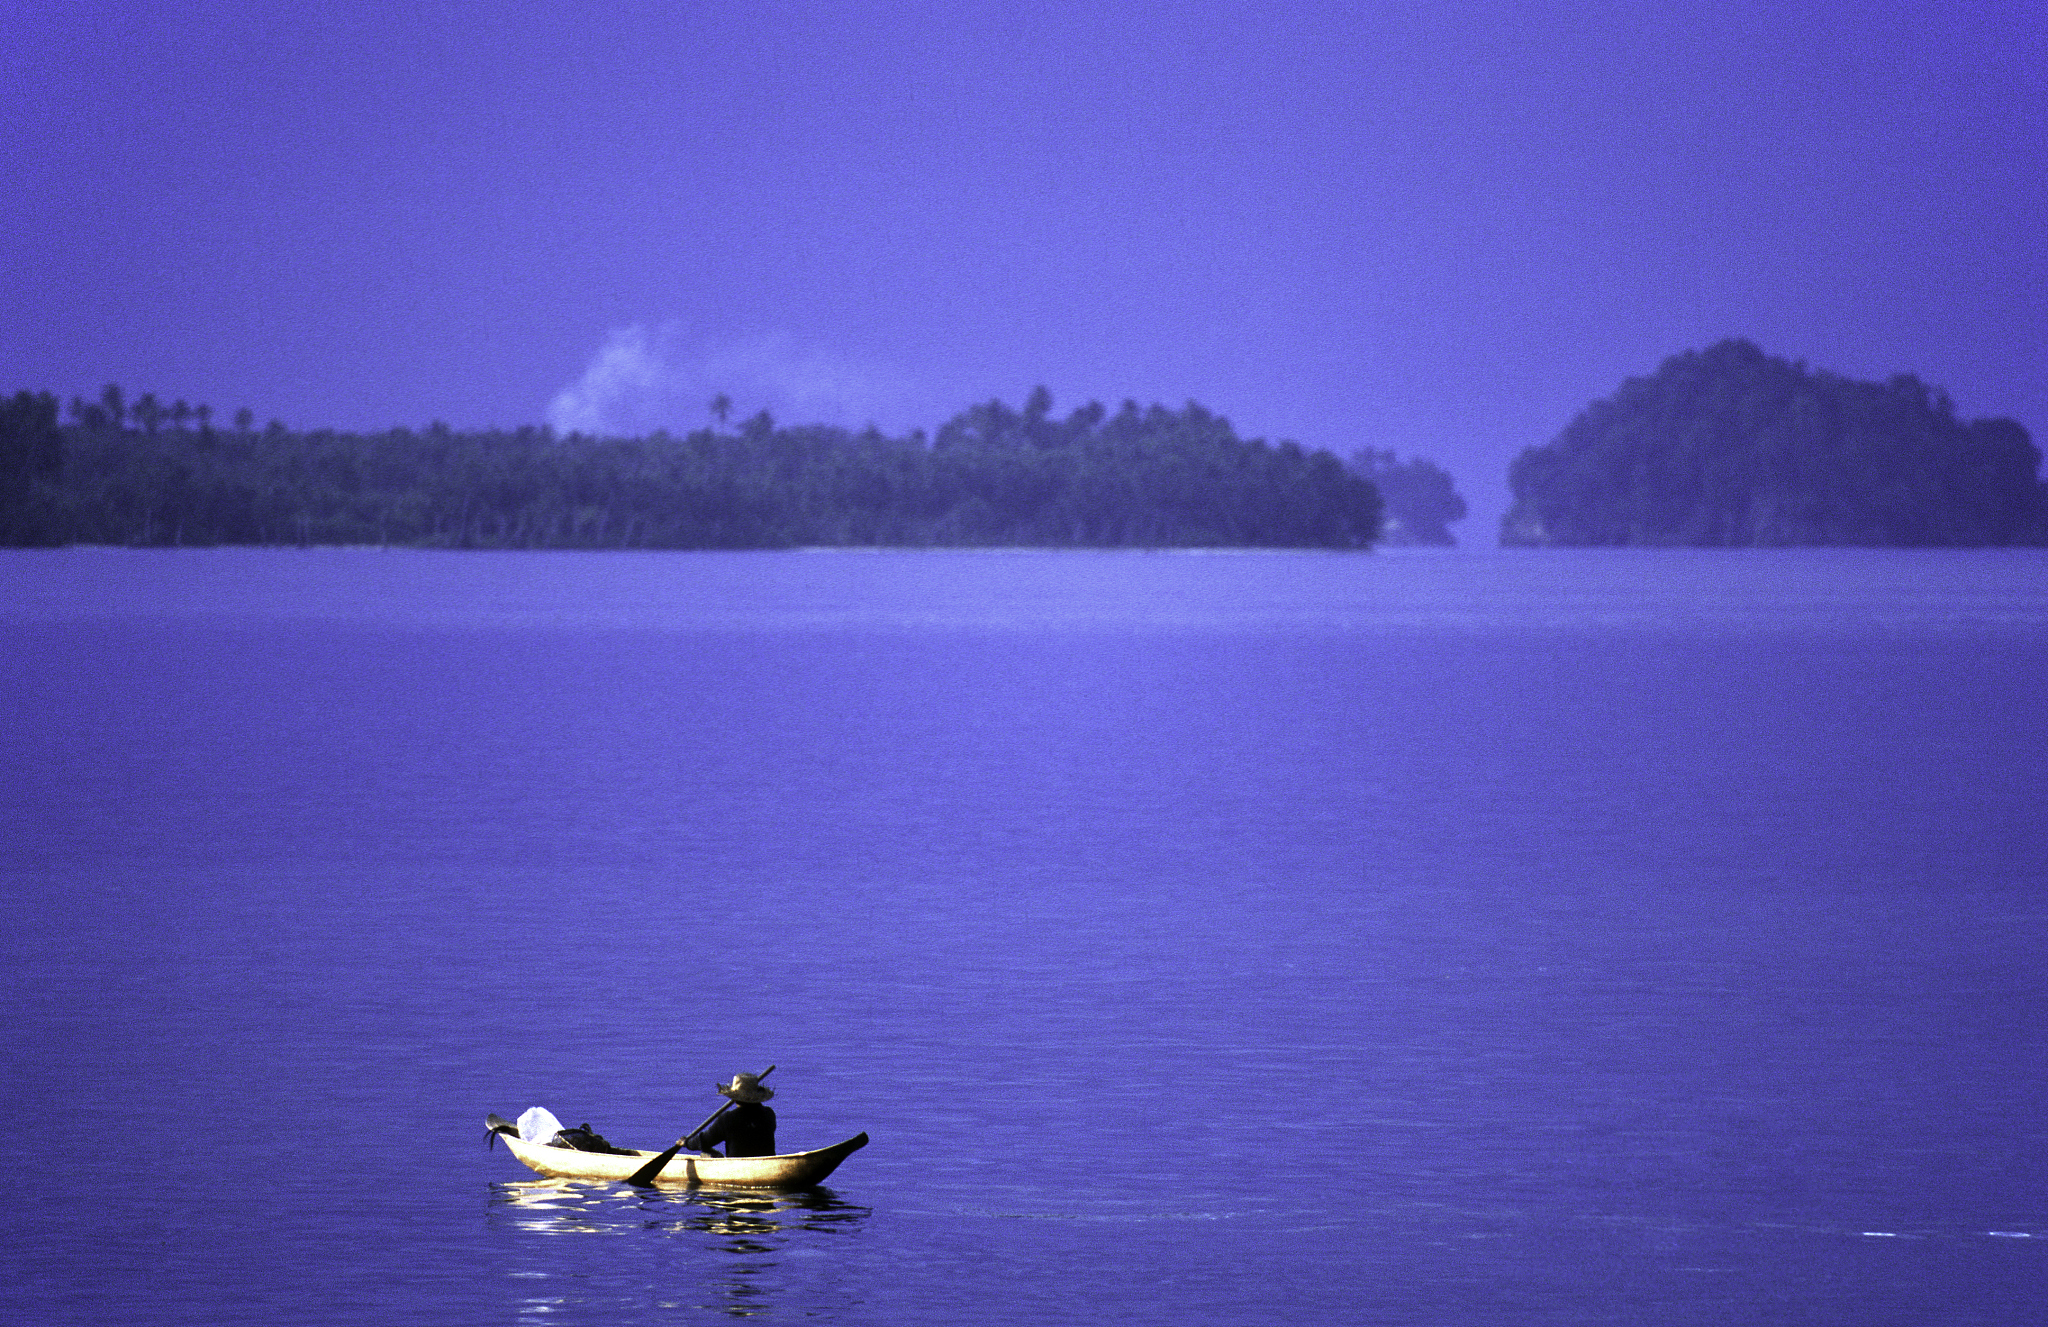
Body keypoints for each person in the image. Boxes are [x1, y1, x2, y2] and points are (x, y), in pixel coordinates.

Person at [684, 1073, 778, 1157]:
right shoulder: (769, 1114)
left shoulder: (728, 1119)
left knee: (706, 1153)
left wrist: (687, 1143)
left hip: (738, 1167)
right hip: (767, 1163)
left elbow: (705, 1141)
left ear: (735, 1098)